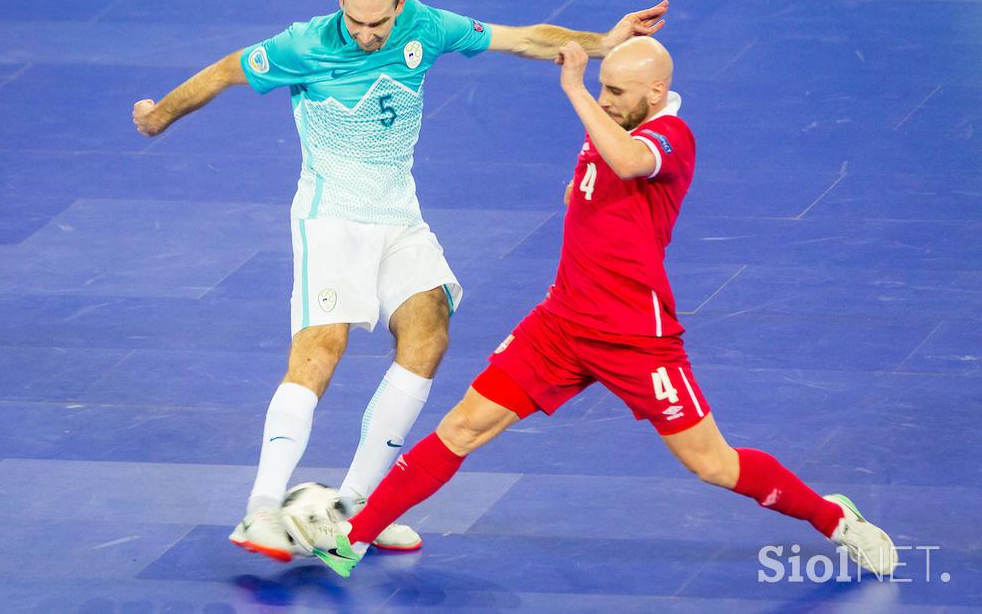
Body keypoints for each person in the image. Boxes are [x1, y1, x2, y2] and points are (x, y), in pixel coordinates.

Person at [131, 0, 670, 562]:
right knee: (321, 347)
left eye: (378, 24)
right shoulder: (301, 45)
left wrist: (602, 42)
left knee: (428, 332)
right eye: (356, 22)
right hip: (329, 219)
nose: (366, 35)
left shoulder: (426, 26)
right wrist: (158, 117)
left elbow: (521, 40)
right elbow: (226, 71)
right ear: (339, 1)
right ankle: (259, 510)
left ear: (399, 6)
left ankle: (356, 508)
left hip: (399, 218)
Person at [302, 36, 899, 579]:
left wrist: (575, 89)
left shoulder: (670, 137)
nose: (605, 100)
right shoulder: (616, 118)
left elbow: (630, 162)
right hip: (560, 326)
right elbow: (595, 184)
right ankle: (350, 540)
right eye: (603, 89)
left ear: (656, 92)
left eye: (616, 92)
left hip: (638, 339)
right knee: (461, 427)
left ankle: (834, 518)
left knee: (713, 464)